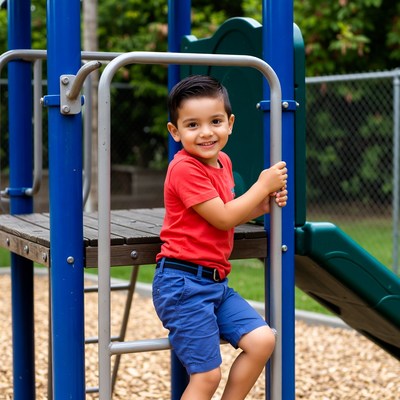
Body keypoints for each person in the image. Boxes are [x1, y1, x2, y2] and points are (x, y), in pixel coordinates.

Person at [152, 75, 288, 400]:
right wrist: (261, 186)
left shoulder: (223, 162)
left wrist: (262, 206)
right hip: (183, 284)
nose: (206, 133)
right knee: (207, 375)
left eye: (215, 122)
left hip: (215, 283)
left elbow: (226, 210)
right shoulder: (184, 168)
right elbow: (224, 217)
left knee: (263, 340)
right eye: (193, 125)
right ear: (175, 131)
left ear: (230, 123)